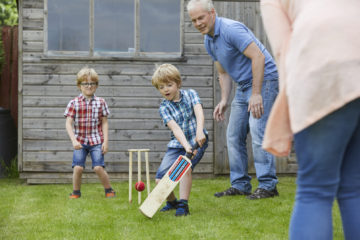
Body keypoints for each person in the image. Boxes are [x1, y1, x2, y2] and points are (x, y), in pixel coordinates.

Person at [260, 0, 360, 239]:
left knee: (315, 189)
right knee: (355, 188)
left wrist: (291, 109)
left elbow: (283, 50)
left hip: (322, 65)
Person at [187, 0, 279, 199]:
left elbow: (259, 58)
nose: (198, 23)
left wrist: (256, 94)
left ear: (212, 13)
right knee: (233, 135)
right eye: (194, 20)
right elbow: (223, 72)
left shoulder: (230, 29)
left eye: (200, 17)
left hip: (264, 81)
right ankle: (240, 185)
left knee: (258, 131)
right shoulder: (208, 40)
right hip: (243, 86)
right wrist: (224, 100)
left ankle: (268, 186)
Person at [151, 63, 208, 216]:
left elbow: (199, 113)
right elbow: (175, 129)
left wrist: (199, 132)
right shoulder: (164, 108)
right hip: (177, 144)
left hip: (198, 139)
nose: (166, 89)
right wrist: (185, 145)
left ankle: (183, 205)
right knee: (159, 180)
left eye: (169, 85)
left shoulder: (191, 94)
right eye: (161, 87)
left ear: (178, 83)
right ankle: (172, 202)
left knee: (184, 168)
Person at [64, 67, 115, 199]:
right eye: (85, 83)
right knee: (78, 168)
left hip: (96, 141)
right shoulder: (73, 103)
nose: (89, 86)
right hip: (80, 141)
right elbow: (68, 123)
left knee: (98, 167)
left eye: (92, 83)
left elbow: (104, 122)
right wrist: (74, 140)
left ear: (96, 85)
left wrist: (105, 142)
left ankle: (109, 190)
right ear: (79, 85)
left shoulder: (101, 102)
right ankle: (76, 192)